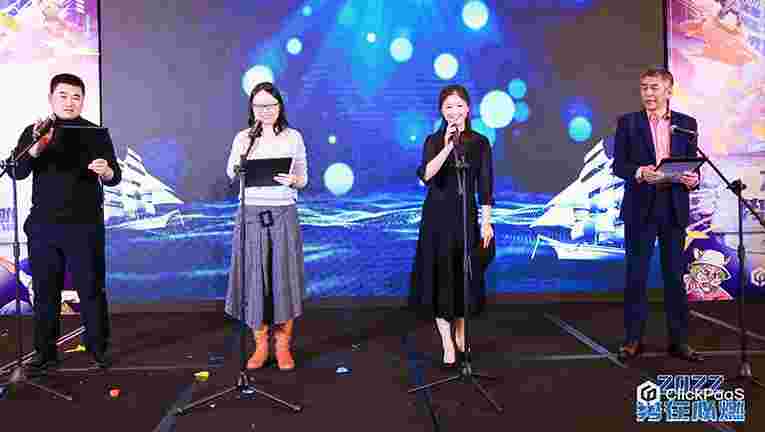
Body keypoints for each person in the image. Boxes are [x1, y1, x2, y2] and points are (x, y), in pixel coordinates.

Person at [10, 73, 121, 375]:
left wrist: (106, 171)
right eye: (63, 95)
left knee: (91, 288)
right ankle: (45, 353)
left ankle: (98, 349)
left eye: (76, 97)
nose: (70, 102)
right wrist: (36, 146)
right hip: (43, 226)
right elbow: (17, 172)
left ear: (83, 100)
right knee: (45, 292)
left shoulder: (96, 132)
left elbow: (115, 177)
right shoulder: (35, 131)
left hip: (85, 226)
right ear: (51, 98)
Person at [613, 68, 703, 362]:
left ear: (669, 91)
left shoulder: (686, 124)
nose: (648, 93)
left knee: (675, 276)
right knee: (636, 276)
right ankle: (632, 340)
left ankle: (679, 341)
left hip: (674, 206)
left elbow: (693, 165)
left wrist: (693, 179)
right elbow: (619, 165)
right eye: (644, 88)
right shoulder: (628, 123)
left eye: (654, 87)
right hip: (640, 206)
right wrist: (640, 172)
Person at [409, 84, 495, 367]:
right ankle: (446, 341)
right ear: (441, 112)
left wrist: (486, 222)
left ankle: (460, 332)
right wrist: (447, 146)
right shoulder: (434, 140)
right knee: (440, 276)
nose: (454, 111)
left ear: (468, 109)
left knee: (463, 277)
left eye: (459, 106)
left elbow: (485, 185)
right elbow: (426, 175)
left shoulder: (480, 142)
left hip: (465, 217)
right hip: (437, 216)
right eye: (448, 107)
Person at [225, 82, 307, 371]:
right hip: (250, 212)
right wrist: (240, 165)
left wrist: (293, 180)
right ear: (252, 108)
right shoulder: (243, 138)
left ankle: (283, 346)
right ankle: (260, 345)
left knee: (284, 279)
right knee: (253, 280)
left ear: (280, 106)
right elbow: (231, 172)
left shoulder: (293, 137)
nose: (266, 111)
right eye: (259, 106)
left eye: (271, 105)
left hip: (284, 212)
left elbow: (303, 178)